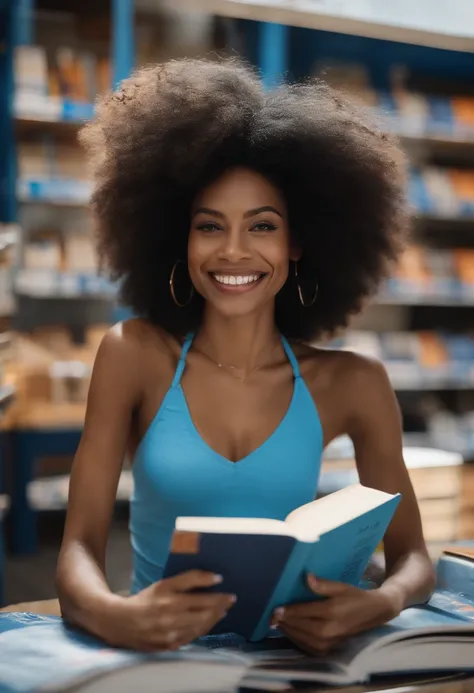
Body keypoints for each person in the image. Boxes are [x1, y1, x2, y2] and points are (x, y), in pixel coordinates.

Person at [52, 58, 435, 654]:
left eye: (261, 227)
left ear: (299, 242)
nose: (233, 252)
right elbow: (77, 551)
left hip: (293, 661)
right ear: (178, 238)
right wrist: (113, 615)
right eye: (210, 227)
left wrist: (378, 601)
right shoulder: (134, 355)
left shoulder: (352, 382)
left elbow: (413, 560)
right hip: (158, 663)